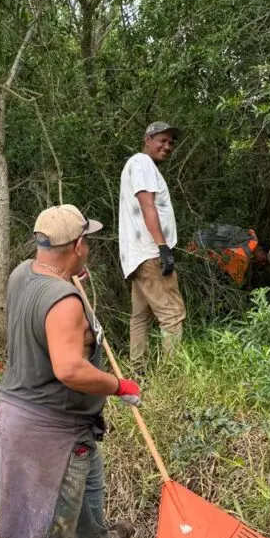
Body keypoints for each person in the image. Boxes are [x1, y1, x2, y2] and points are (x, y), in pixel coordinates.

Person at [0, 205, 138, 538]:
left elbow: (50, 299)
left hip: (51, 419)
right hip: (47, 430)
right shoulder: (63, 302)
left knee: (88, 483)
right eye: (86, 241)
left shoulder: (26, 273)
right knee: (45, 528)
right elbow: (70, 369)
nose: (89, 247)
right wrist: (120, 385)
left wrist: (72, 280)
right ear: (76, 246)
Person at [119, 121, 186, 364]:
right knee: (172, 314)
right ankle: (172, 375)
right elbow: (148, 206)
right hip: (150, 253)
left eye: (171, 143)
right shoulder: (142, 163)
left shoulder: (138, 165)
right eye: (162, 140)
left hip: (137, 255)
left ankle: (139, 370)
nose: (167, 146)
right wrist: (163, 248)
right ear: (147, 139)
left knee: (140, 316)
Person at [188, 224, 270, 292]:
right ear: (260, 250)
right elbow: (233, 284)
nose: (262, 264)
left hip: (198, 235)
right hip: (195, 251)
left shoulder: (250, 237)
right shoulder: (242, 257)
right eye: (264, 260)